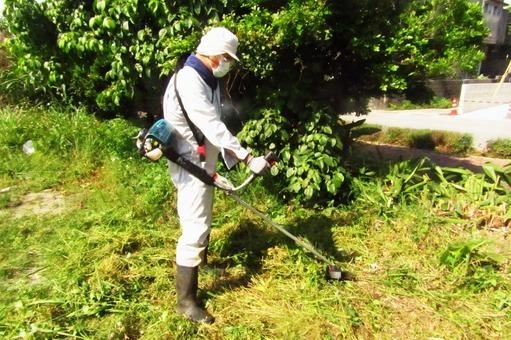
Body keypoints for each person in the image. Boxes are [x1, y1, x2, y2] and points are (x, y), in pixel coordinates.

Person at [162, 27, 269, 324]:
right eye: (227, 58)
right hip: (188, 162)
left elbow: (213, 125)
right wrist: (247, 157)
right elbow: (211, 125)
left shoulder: (205, 77)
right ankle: (185, 302)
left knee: (204, 214)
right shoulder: (189, 80)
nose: (228, 64)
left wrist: (220, 162)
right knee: (195, 226)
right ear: (214, 53)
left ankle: (203, 263)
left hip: (202, 158)